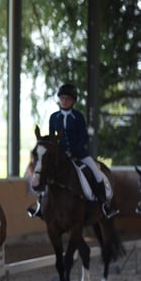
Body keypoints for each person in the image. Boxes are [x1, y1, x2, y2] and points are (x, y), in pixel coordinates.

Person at [47, 83, 118, 218]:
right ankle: (41, 205)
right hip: (60, 156)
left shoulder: (78, 116)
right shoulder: (54, 117)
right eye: (62, 98)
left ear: (73, 101)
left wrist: (73, 151)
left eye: (67, 98)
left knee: (97, 173)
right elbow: (52, 138)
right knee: (45, 174)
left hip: (79, 154)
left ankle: (104, 204)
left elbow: (83, 137)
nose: (64, 101)